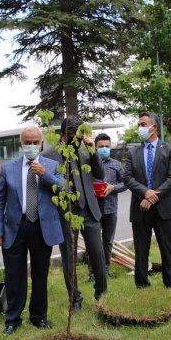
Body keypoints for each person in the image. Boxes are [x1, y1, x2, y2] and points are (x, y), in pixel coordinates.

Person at [0, 124, 64, 335]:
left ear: (41, 144)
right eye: (27, 142)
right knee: (14, 275)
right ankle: (12, 319)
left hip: (43, 228)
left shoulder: (52, 165)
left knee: (40, 275)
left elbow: (64, 190)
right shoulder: (8, 168)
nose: (31, 146)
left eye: (35, 142)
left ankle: (39, 316)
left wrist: (45, 175)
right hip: (15, 227)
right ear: (21, 144)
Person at [41, 116, 107, 308]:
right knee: (69, 257)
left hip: (89, 210)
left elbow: (100, 174)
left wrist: (92, 149)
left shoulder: (86, 150)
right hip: (66, 213)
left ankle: (101, 295)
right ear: (63, 135)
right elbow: (47, 184)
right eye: (72, 135)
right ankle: (75, 299)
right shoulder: (48, 155)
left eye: (79, 135)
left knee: (98, 254)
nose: (77, 139)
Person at [123, 112, 171, 289]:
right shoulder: (133, 152)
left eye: (143, 124)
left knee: (167, 250)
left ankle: (170, 287)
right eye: (138, 124)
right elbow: (127, 178)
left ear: (154, 127)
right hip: (140, 208)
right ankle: (142, 286)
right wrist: (145, 192)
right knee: (141, 251)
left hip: (165, 207)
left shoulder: (170, 149)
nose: (139, 128)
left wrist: (152, 196)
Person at [89, 133, 126, 279]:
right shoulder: (88, 163)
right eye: (101, 147)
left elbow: (126, 183)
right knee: (93, 243)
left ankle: (105, 271)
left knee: (108, 242)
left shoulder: (116, 165)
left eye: (107, 146)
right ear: (95, 147)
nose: (104, 149)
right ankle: (93, 274)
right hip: (92, 209)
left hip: (111, 209)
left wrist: (113, 188)